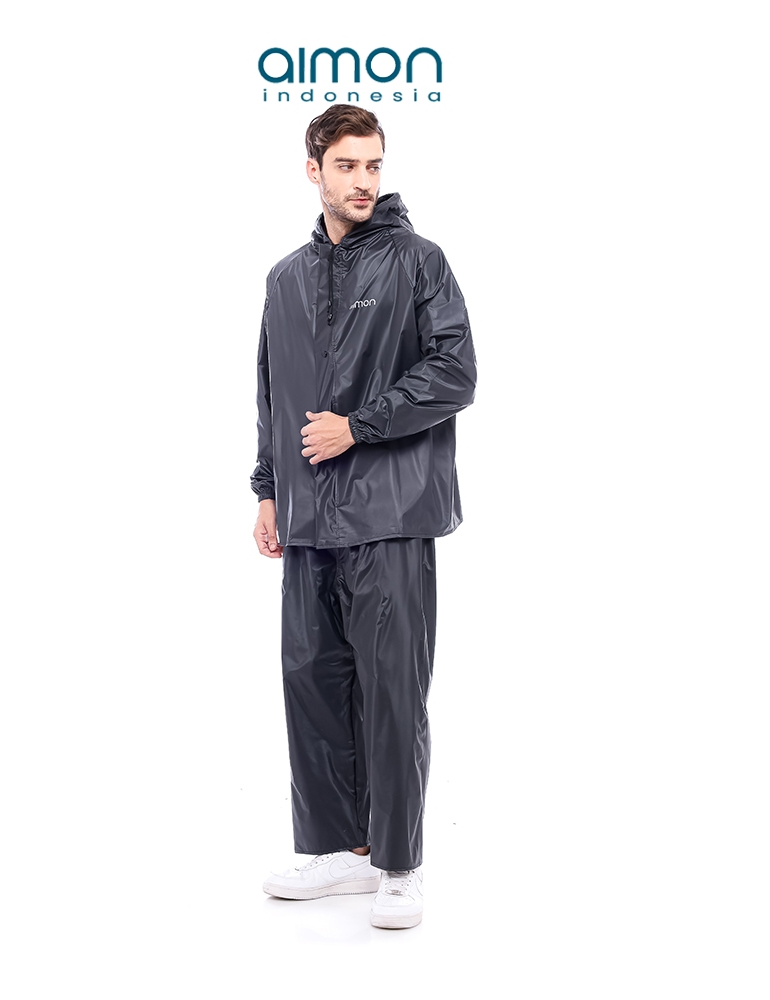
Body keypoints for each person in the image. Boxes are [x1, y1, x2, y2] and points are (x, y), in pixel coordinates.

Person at [250, 105, 476, 929]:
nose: (364, 181)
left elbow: (455, 371)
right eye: (347, 165)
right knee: (313, 684)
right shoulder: (284, 279)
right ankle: (341, 852)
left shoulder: (419, 261)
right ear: (313, 170)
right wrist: (268, 489)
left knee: (391, 694)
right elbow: (273, 393)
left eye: (373, 165)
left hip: (392, 511)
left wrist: (361, 425)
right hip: (309, 518)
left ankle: (399, 865)